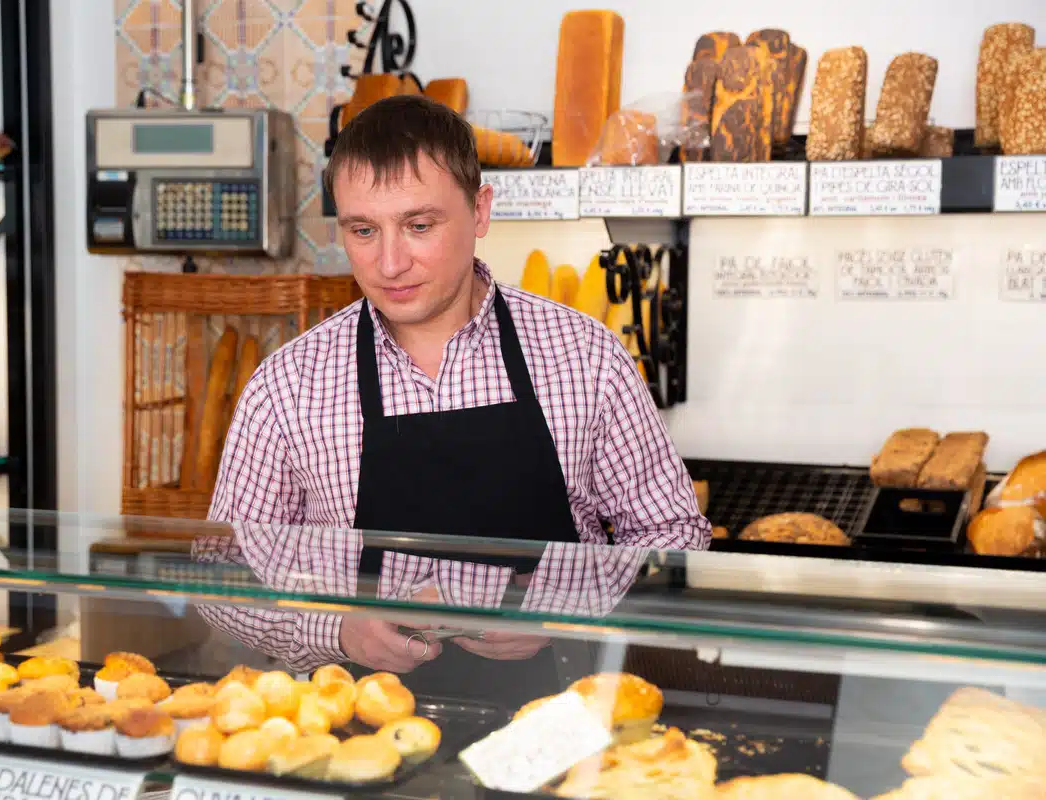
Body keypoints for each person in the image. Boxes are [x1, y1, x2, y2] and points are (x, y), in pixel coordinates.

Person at [204, 94, 710, 689]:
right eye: (364, 230)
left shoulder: (585, 356)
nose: (390, 262)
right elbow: (222, 573)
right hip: (358, 735)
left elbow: (673, 537)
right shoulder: (288, 385)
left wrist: (566, 614)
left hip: (557, 723)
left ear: (481, 210)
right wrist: (337, 631)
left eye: (419, 226)